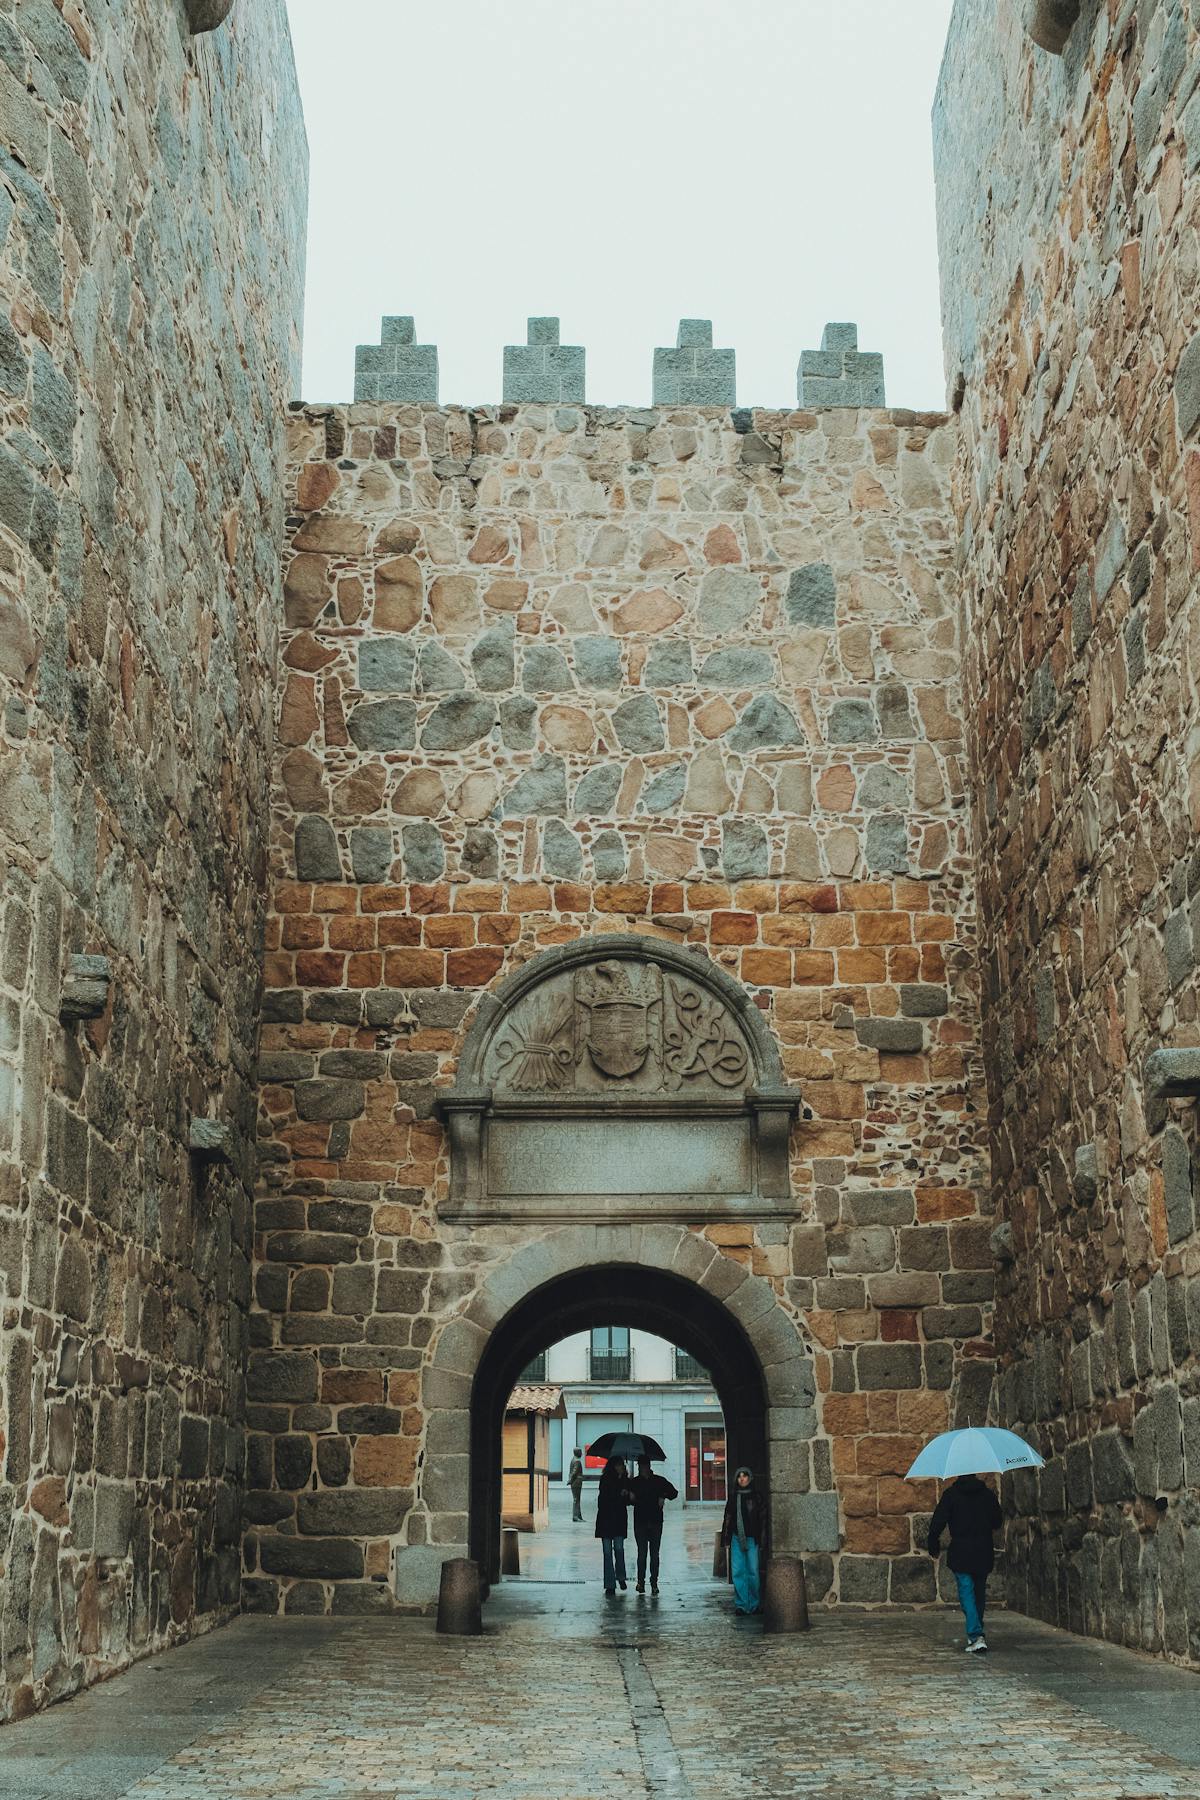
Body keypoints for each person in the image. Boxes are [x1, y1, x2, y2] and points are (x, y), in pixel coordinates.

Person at [927, 1471, 1003, 1653]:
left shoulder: (951, 1496)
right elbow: (997, 1521)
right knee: (978, 1593)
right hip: (983, 1550)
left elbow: (938, 1522)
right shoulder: (987, 1495)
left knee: (966, 1592)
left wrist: (933, 1544)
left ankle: (976, 1635)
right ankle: (978, 1632)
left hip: (961, 1551)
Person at [721, 1466, 764, 1615]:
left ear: (750, 1478)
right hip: (736, 1537)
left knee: (753, 1571)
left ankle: (754, 1603)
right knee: (738, 1571)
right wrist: (726, 1538)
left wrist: (762, 1539)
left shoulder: (757, 1497)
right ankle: (741, 1604)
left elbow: (762, 1519)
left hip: (752, 1538)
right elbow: (727, 1518)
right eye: (739, 1476)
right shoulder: (733, 1497)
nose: (742, 1479)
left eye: (745, 1476)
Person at [630, 1458, 678, 1593]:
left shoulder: (659, 1481)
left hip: (655, 1521)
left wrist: (663, 1495)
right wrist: (630, 1497)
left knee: (654, 1554)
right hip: (641, 1521)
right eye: (640, 1466)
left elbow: (674, 1493)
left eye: (643, 1465)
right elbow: (627, 1499)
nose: (641, 1468)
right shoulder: (634, 1482)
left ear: (648, 1466)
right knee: (642, 1553)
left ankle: (654, 1582)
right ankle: (640, 1582)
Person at [595, 1456, 633, 1595]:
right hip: (605, 1520)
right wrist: (619, 1493)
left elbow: (629, 1501)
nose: (621, 1467)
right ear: (613, 1466)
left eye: (622, 1465)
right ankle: (610, 1584)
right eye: (619, 1465)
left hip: (619, 1520)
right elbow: (604, 1499)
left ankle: (621, 1577)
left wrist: (627, 1494)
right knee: (607, 1553)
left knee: (619, 1549)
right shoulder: (605, 1480)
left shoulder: (626, 1481)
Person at [568, 1447, 585, 1522]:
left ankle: (578, 1516)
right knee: (576, 1499)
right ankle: (576, 1516)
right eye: (580, 1452)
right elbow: (574, 1472)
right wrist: (570, 1480)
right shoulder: (577, 1461)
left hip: (574, 1482)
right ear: (577, 1452)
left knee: (577, 1499)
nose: (582, 1453)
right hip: (577, 1482)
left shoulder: (573, 1459)